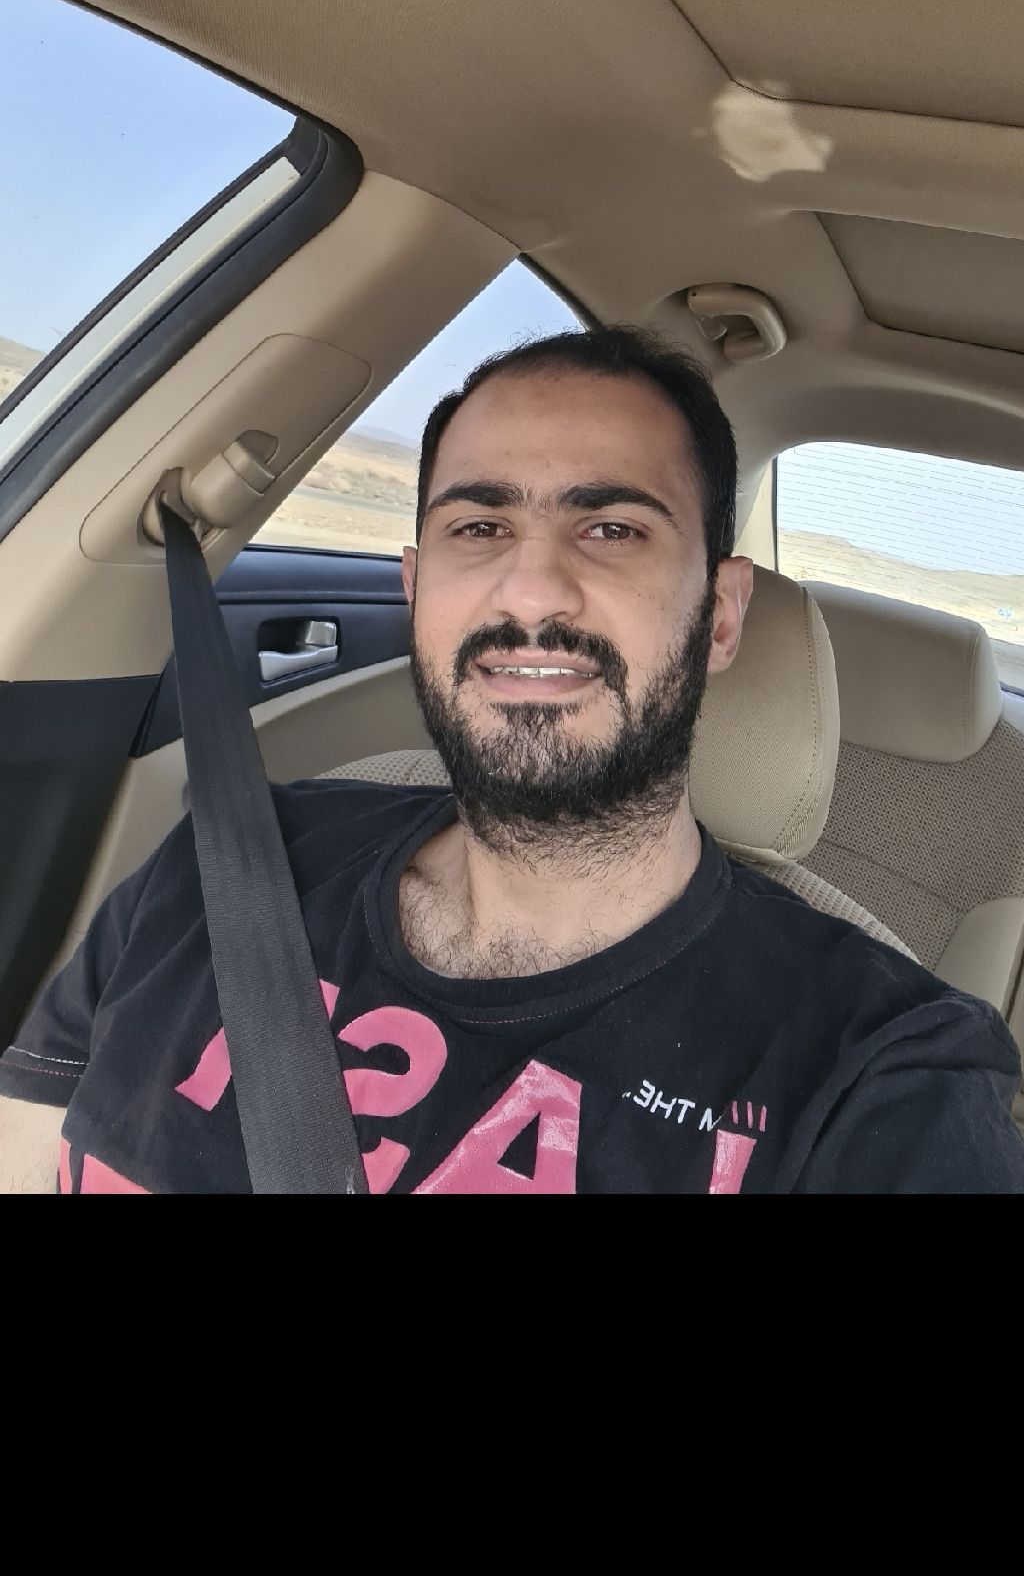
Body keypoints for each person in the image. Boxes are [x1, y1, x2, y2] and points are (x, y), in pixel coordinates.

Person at [2, 325, 1023, 1194]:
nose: (531, 590)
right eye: (480, 524)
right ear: (414, 589)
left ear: (718, 613)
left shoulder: (878, 1072)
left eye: (611, 527)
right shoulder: (228, 862)